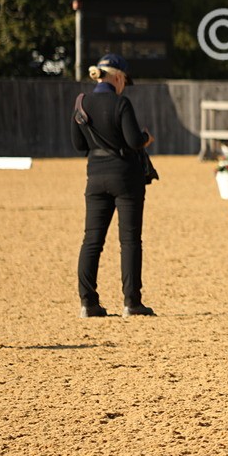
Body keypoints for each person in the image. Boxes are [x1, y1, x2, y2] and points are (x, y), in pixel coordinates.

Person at [71, 53, 155, 318]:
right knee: (129, 241)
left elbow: (79, 145)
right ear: (117, 77)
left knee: (92, 241)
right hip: (125, 177)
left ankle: (88, 303)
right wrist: (146, 137)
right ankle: (131, 302)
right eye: (124, 81)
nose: (124, 86)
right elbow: (133, 141)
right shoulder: (121, 103)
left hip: (95, 176)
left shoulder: (81, 102)